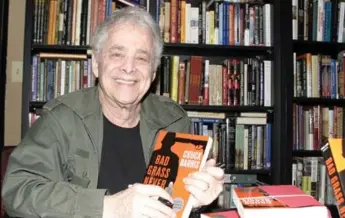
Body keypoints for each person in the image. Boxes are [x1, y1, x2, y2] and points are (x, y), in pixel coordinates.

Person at [1, 6, 225, 218]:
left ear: (153, 72)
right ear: (97, 64)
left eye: (141, 58)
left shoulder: (174, 120)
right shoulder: (61, 119)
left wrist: (195, 199)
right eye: (117, 54)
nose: (129, 68)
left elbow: (173, 204)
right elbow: (18, 191)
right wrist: (108, 207)